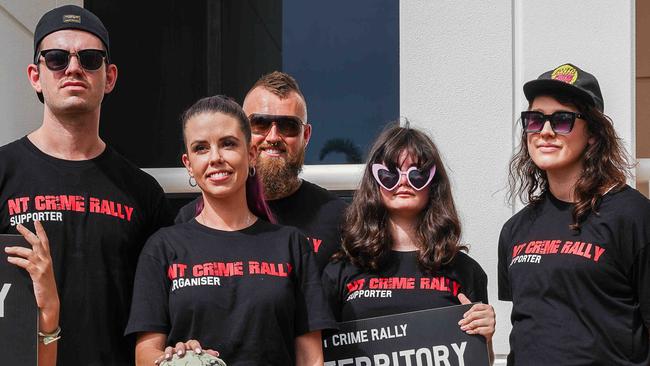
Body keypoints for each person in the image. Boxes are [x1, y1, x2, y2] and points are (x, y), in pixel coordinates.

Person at [0, 5, 173, 365]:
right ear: (35, 75)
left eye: (90, 59)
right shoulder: (3, 171)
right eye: (57, 58)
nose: (74, 68)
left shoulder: (143, 193)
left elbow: (160, 313)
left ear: (109, 77)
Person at [125, 96, 337, 365]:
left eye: (228, 144)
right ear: (188, 163)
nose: (215, 158)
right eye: (201, 148)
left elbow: (311, 359)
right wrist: (177, 359)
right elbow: (144, 355)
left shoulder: (291, 245)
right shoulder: (163, 248)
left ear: (250, 155)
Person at [499, 63, 650, 365]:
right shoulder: (516, 229)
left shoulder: (633, 215)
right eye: (534, 119)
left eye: (562, 120)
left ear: (593, 133)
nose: (544, 132)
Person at [322, 123, 496, 363]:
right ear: (375, 182)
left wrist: (485, 337)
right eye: (390, 174)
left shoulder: (465, 270)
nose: (403, 182)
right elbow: (317, 354)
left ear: (433, 183)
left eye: (417, 174)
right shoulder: (341, 269)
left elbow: (480, 360)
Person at [176, 72, 347, 271]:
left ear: (306, 135)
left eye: (288, 126)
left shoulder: (338, 219)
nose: (273, 136)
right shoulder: (192, 218)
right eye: (260, 123)